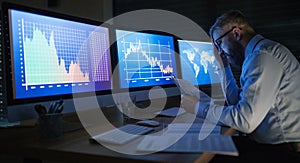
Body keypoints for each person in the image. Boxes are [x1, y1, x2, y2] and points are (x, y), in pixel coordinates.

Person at [180, 10, 300, 162]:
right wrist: (223, 66)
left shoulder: (262, 57)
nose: (219, 52)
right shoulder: (256, 56)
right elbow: (237, 103)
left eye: (219, 44)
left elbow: (245, 121)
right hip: (273, 144)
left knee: (202, 155)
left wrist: (199, 108)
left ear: (236, 33)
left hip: (283, 151)